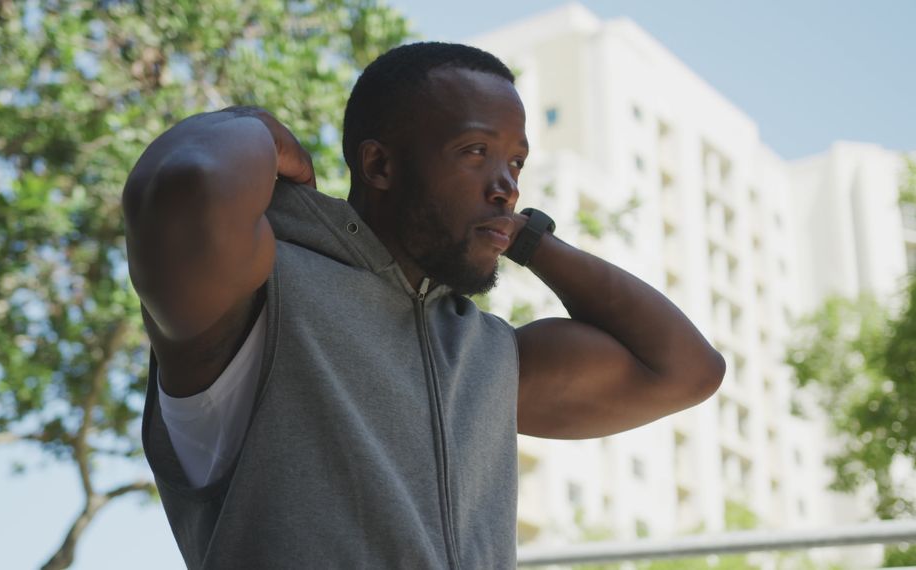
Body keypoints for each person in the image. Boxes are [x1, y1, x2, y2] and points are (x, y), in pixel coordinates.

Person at [122, 42, 725, 569]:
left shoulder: (487, 353)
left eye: (515, 161)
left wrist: (530, 239)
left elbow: (685, 371)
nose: (507, 184)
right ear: (380, 164)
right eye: (474, 151)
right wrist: (246, 125)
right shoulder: (257, 296)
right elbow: (189, 190)